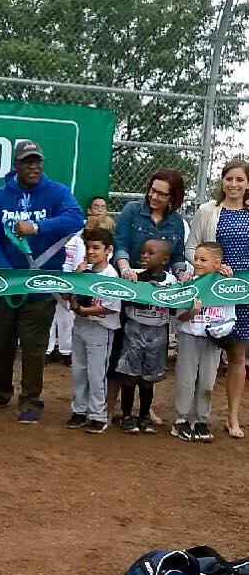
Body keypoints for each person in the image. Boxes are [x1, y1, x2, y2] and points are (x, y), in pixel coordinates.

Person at [0, 140, 85, 423]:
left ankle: (31, 400)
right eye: (27, 161)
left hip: (40, 284)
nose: (33, 166)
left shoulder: (57, 192)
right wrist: (7, 274)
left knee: (34, 347)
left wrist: (36, 227)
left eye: (37, 161)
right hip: (5, 284)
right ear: (16, 165)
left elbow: (75, 219)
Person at [109, 169, 189, 424]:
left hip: (157, 296)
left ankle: (144, 410)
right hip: (128, 289)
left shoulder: (177, 222)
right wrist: (124, 268)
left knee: (151, 356)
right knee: (120, 351)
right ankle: (110, 406)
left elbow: (176, 258)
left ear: (173, 198)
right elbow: (119, 244)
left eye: (161, 194)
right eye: (152, 190)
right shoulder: (132, 211)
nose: (154, 196)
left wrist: (181, 274)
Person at [186, 160, 249, 438]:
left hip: (243, 294)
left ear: (248, 184)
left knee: (237, 356)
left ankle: (232, 417)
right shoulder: (207, 211)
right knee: (205, 355)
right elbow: (191, 248)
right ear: (222, 181)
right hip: (212, 294)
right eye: (229, 179)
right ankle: (195, 415)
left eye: (239, 180)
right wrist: (206, 268)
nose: (233, 185)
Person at [172, 242, 234, 443]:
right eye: (196, 259)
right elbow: (179, 317)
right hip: (190, 335)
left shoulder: (224, 285)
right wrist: (193, 311)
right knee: (186, 380)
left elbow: (229, 316)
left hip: (213, 340)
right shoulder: (189, 283)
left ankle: (201, 420)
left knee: (207, 381)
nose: (197, 263)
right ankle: (181, 420)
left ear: (217, 263)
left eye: (203, 260)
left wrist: (221, 331)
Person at [115, 239, 176, 434]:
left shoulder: (171, 281)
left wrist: (160, 292)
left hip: (158, 332)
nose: (144, 256)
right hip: (134, 328)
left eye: (150, 253)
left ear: (165, 259)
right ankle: (126, 415)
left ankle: (144, 415)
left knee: (148, 378)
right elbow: (125, 302)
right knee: (129, 375)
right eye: (142, 252)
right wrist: (141, 287)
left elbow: (174, 308)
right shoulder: (134, 276)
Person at [65, 228, 121, 434]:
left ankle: (98, 413)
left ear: (109, 250)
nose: (91, 252)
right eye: (88, 248)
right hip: (80, 326)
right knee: (79, 370)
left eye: (96, 248)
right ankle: (79, 410)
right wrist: (77, 276)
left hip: (100, 328)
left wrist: (83, 310)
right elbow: (67, 294)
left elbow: (110, 307)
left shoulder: (111, 275)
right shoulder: (83, 272)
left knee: (97, 373)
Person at [46, 231, 86, 365]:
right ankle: (46, 351)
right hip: (49, 283)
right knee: (48, 318)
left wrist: (70, 286)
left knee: (67, 320)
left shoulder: (76, 241)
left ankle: (66, 352)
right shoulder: (49, 237)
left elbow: (79, 264)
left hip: (68, 285)